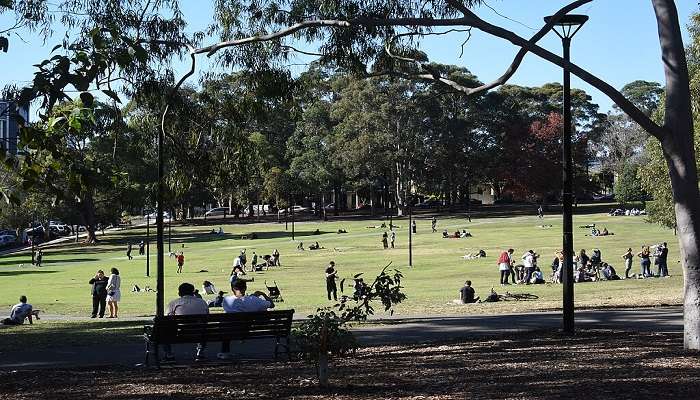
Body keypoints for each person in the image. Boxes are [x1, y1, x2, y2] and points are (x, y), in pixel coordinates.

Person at [218, 279, 274, 359]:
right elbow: (271, 305)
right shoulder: (254, 300)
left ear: (232, 289)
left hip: (229, 330)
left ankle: (225, 352)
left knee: (226, 324)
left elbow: (240, 303)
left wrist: (252, 297)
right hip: (246, 330)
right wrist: (263, 295)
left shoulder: (226, 300)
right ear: (245, 288)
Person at [163, 282, 209, 361]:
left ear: (179, 292)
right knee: (202, 326)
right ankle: (200, 352)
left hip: (180, 332)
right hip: (200, 332)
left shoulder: (174, 303)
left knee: (163, 329)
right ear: (192, 292)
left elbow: (167, 319)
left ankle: (169, 354)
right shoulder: (202, 302)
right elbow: (206, 319)